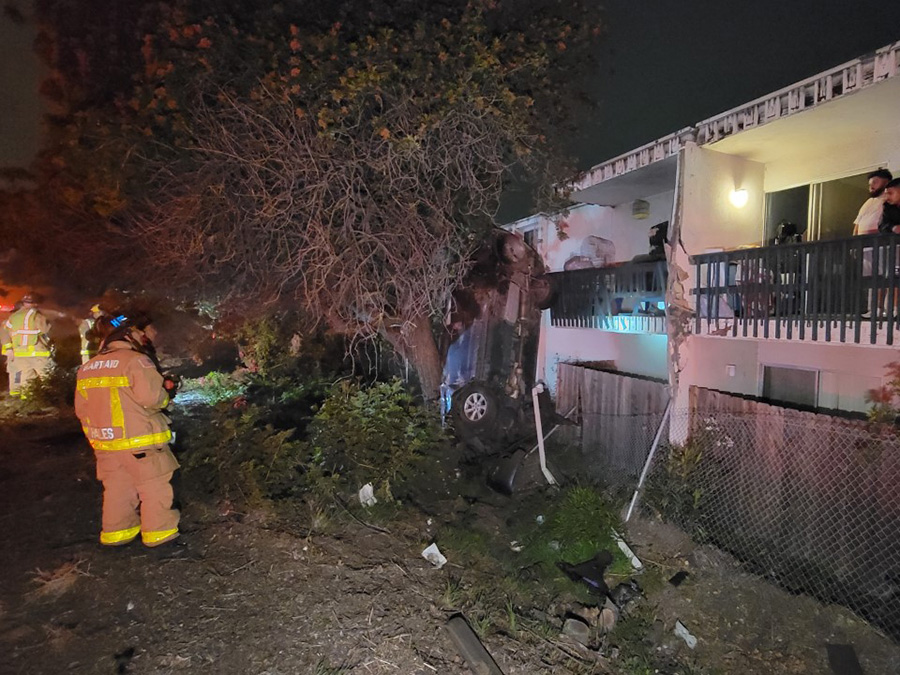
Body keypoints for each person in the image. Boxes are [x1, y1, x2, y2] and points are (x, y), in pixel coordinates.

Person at [74, 312, 181, 549]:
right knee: (154, 485)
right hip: (139, 440)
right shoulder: (135, 361)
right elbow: (152, 398)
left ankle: (117, 535)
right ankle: (160, 537)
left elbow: (81, 409)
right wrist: (167, 392)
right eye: (138, 333)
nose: (142, 338)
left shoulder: (87, 367)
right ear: (127, 334)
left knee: (117, 488)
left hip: (105, 444)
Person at [853, 169, 893, 317]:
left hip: (883, 242)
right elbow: (857, 224)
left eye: (875, 182)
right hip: (866, 245)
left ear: (886, 182)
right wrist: (855, 243)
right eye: (870, 184)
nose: (871, 186)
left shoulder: (890, 199)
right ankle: (874, 309)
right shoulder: (868, 202)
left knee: (887, 276)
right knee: (872, 278)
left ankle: (889, 309)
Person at [3, 294, 53, 399]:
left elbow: (4, 332)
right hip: (37, 352)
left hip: (20, 353)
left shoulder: (14, 316)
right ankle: (49, 398)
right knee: (47, 375)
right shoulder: (36, 315)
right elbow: (45, 329)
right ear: (35, 303)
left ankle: (27, 401)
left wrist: (8, 349)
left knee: (26, 378)